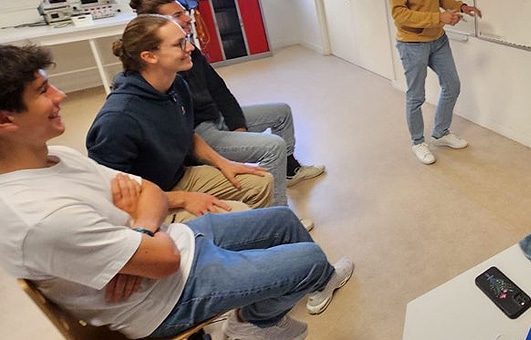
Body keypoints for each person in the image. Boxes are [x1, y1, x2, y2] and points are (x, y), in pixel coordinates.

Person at [0, 43, 353, 340]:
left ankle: (284, 302)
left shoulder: (58, 157)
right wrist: (141, 228)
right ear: (5, 120)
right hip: (163, 299)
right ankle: (255, 323)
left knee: (282, 220)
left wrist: (140, 229)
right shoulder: (39, 217)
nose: (61, 95)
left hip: (172, 243)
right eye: (43, 91)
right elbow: (164, 260)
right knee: (308, 261)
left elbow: (151, 192)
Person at [128, 0, 324, 212]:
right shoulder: (164, 71)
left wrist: (237, 123)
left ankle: (289, 171)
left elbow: (218, 89)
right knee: (273, 146)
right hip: (201, 131)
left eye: (183, 12)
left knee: (281, 112)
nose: (188, 18)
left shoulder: (189, 51)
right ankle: (277, 212)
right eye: (177, 15)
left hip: (215, 117)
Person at [87, 14, 274, 223]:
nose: (190, 48)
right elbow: (112, 192)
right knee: (237, 212)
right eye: (179, 44)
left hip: (177, 178)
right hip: (144, 204)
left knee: (261, 182)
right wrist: (182, 199)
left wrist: (224, 163)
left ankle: (257, 235)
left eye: (186, 40)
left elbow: (187, 134)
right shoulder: (118, 119)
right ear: (149, 56)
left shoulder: (176, 85)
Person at [385, 0, 482, 165]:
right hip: (412, 44)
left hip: (437, 40)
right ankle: (418, 142)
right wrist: (438, 18)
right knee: (416, 96)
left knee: (452, 85)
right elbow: (399, 14)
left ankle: (440, 133)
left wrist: (461, 7)